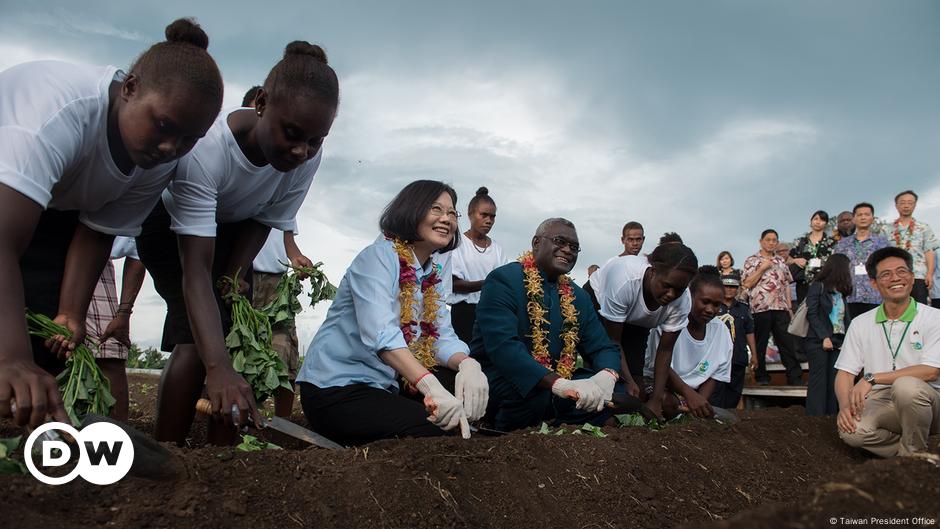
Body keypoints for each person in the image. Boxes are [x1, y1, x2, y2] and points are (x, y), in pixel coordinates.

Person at [0, 18, 223, 428]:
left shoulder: (157, 160)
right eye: (163, 125)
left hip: (53, 210)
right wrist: (10, 358)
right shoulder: (55, 114)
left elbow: (98, 230)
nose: (171, 146)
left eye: (188, 139)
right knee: (12, 353)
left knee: (47, 341)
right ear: (130, 87)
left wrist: (69, 312)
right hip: (8, 193)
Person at [136, 41, 339, 444]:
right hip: (168, 228)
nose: (302, 150)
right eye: (292, 134)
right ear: (261, 103)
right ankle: (167, 447)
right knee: (198, 341)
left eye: (315, 140)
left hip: (234, 228)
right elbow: (195, 271)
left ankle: (222, 456)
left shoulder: (306, 156)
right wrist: (218, 369)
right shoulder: (207, 151)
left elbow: (266, 216)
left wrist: (232, 276)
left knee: (235, 338)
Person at [296, 180, 488, 445]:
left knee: (467, 388)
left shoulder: (430, 274)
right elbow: (382, 335)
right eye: (436, 209)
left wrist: (469, 365)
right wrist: (431, 387)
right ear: (412, 210)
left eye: (452, 213)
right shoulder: (377, 257)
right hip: (336, 390)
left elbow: (441, 335)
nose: (447, 219)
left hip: (383, 385)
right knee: (441, 428)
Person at [471, 218, 622, 431]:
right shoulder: (503, 280)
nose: (568, 250)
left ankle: (557, 422)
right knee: (532, 394)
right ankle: (498, 432)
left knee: (618, 391)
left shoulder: (578, 296)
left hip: (557, 380)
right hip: (503, 375)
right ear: (536, 242)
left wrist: (607, 375)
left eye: (574, 247)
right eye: (560, 241)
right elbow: (504, 348)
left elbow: (603, 346)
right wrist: (558, 384)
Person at [239, 87, 313, 419]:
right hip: (241, 274)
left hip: (276, 279)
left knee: (284, 349)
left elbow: (286, 232)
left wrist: (297, 258)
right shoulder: (238, 170)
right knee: (241, 347)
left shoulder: (283, 176)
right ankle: (235, 416)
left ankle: (282, 425)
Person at [836, 247, 940, 457]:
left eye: (902, 272)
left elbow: (931, 371)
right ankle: (917, 447)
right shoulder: (860, 323)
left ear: (912, 278)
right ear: (874, 283)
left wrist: (872, 378)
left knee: (906, 387)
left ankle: (913, 457)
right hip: (884, 400)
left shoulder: (933, 318)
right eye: (886, 274)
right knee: (852, 431)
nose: (895, 278)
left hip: (929, 401)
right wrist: (845, 407)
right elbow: (845, 373)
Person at [590, 240, 698, 419]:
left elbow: (665, 350)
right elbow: (614, 342)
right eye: (667, 286)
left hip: (638, 320)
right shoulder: (624, 281)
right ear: (653, 272)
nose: (671, 295)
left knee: (637, 391)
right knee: (609, 375)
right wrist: (628, 380)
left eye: (679, 289)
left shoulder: (682, 300)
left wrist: (655, 399)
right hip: (599, 303)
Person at [643, 266, 733, 419]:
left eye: (716, 305)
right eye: (705, 302)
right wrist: (689, 396)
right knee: (667, 403)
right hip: (660, 385)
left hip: (692, 395)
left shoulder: (721, 331)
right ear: (690, 297)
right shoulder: (669, 324)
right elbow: (661, 365)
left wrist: (699, 403)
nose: (710, 309)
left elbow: (716, 374)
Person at [85, 236, 147, 421]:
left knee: (109, 351)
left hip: (94, 258)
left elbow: (138, 249)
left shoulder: (130, 215)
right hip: (36, 249)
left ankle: (115, 439)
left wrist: (124, 312)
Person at [743, 229, 802, 385]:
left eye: (774, 240)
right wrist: (762, 268)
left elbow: (787, 284)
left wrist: (789, 307)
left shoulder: (780, 261)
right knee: (760, 343)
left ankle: (794, 378)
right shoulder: (752, 260)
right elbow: (747, 283)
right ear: (761, 241)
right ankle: (761, 377)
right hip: (760, 307)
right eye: (768, 240)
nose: (771, 243)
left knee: (787, 343)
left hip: (780, 307)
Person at [448, 187, 506, 343]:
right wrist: (489, 283)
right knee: (465, 358)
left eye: (492, 217)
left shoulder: (497, 249)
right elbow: (453, 284)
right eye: (484, 215)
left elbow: (504, 282)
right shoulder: (456, 243)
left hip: (491, 312)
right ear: (470, 214)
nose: (489, 220)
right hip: (464, 313)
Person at [805, 254, 853, 416]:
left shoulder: (841, 292)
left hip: (838, 341)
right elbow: (812, 313)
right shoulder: (817, 286)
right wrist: (824, 337)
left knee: (835, 381)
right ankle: (816, 419)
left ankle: (831, 417)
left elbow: (845, 318)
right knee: (818, 381)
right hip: (819, 341)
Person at [881, 190, 938, 305]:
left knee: (919, 307)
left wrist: (929, 274)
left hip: (917, 274)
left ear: (915, 205)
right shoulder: (886, 229)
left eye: (910, 203)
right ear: (896, 205)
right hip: (894, 275)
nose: (906, 206)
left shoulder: (923, 227)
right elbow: (882, 253)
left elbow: (929, 251)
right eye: (902, 203)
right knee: (896, 306)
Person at [833, 202, 888, 319]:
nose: (863, 217)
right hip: (849, 296)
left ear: (872, 218)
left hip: (875, 296)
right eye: (859, 215)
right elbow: (837, 270)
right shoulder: (842, 244)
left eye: (867, 214)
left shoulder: (882, 243)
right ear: (854, 218)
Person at [709, 273, 757, 409]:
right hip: (717, 357)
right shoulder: (713, 306)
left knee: (734, 391)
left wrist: (754, 354)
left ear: (738, 289)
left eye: (733, 287)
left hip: (737, 356)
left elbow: (750, 332)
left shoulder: (744, 308)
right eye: (726, 286)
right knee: (715, 391)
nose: (729, 289)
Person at [790, 210, 836, 305]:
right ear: (811, 221)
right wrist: (795, 260)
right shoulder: (800, 241)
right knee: (804, 314)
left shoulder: (831, 242)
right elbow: (788, 260)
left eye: (822, 220)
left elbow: (835, 263)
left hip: (824, 284)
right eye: (816, 219)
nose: (818, 222)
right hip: (803, 284)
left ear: (826, 224)